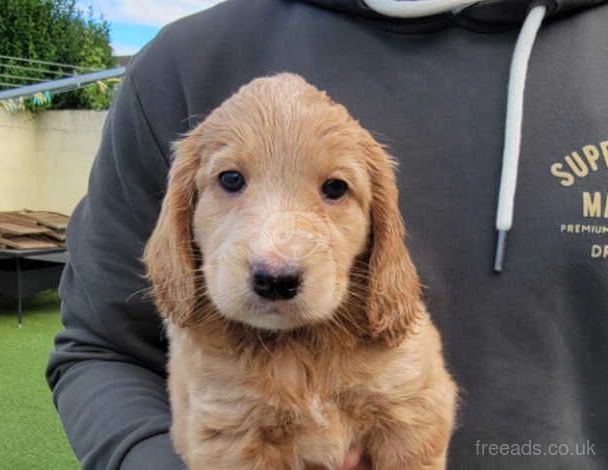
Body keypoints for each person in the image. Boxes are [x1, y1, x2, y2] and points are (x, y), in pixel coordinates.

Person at [46, 0, 608, 468]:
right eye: (231, 180)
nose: (275, 257)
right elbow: (100, 348)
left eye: (335, 189)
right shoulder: (182, 63)